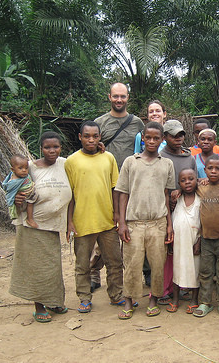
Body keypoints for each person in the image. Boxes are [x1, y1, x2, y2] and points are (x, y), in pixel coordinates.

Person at [9, 132, 72, 322]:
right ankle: (39, 305)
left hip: (53, 226)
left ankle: (54, 301)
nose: (52, 151)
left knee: (52, 267)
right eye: (47, 147)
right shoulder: (30, 167)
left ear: (61, 148)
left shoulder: (64, 164)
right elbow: (12, 187)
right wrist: (17, 198)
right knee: (36, 267)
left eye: (56, 147)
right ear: (41, 149)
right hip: (32, 226)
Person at [116, 121, 175, 320]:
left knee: (158, 263)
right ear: (142, 138)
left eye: (156, 138)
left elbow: (166, 196)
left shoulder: (166, 164)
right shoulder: (130, 162)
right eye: (147, 137)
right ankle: (129, 300)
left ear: (162, 140)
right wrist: (122, 222)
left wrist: (169, 225)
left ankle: (153, 299)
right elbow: (123, 193)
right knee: (132, 263)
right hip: (134, 222)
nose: (151, 141)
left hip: (158, 222)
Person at [65, 121, 125, 314]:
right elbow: (69, 195)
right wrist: (70, 221)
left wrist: (116, 214)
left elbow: (115, 188)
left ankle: (116, 295)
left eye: (95, 136)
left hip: (107, 220)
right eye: (87, 136)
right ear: (80, 137)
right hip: (82, 222)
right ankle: (84, 297)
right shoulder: (71, 161)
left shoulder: (108, 158)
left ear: (100, 138)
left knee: (114, 262)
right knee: (83, 264)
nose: (91, 140)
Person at [92, 82, 144, 292]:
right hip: (107, 183)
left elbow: (145, 146)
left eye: (123, 96)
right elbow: (91, 148)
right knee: (106, 229)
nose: (119, 100)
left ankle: (136, 275)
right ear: (109, 97)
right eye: (116, 96)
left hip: (132, 182)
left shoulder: (137, 123)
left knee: (131, 227)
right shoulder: (99, 123)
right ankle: (94, 271)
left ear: (128, 98)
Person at [157, 120, 196, 305]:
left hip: (186, 208)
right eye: (173, 135)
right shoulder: (159, 157)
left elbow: (195, 182)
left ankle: (184, 286)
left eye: (180, 134)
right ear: (165, 137)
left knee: (185, 248)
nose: (178, 138)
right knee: (168, 250)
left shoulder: (189, 158)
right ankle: (166, 288)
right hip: (165, 208)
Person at [193, 155, 219, 318]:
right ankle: (205, 302)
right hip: (206, 237)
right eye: (210, 168)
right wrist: (199, 180)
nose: (214, 171)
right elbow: (188, 183)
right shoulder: (201, 187)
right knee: (205, 271)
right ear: (205, 170)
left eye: (218, 168)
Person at [168, 168, 201, 314]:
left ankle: (194, 299)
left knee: (195, 269)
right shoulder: (177, 199)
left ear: (197, 180)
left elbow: (204, 222)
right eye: (183, 180)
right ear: (178, 183)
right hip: (179, 242)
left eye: (191, 179)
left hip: (194, 240)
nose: (187, 182)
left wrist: (199, 242)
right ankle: (175, 299)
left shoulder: (200, 199)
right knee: (178, 268)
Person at [2, 154, 38, 229]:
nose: (24, 170)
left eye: (26, 168)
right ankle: (30, 219)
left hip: (29, 192)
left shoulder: (23, 175)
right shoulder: (14, 182)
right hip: (26, 197)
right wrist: (12, 200)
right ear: (13, 169)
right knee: (30, 203)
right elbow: (10, 192)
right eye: (20, 168)